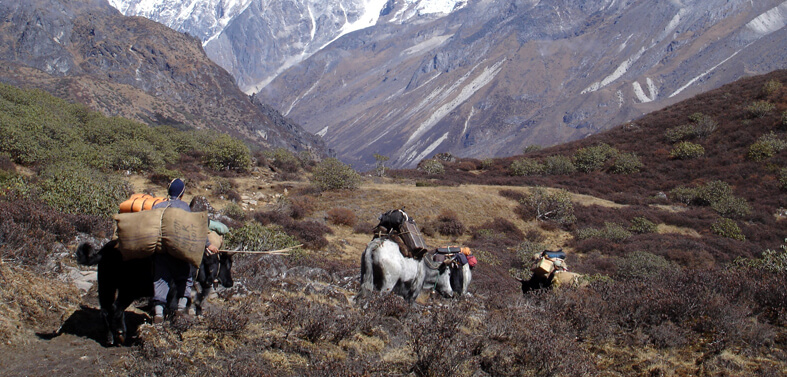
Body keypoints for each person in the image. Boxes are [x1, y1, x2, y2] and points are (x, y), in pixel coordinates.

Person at [151, 178, 219, 323]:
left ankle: (158, 313)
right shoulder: (184, 208)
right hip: (178, 253)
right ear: (181, 193)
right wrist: (207, 245)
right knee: (186, 278)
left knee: (160, 280)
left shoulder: (158, 206)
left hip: (160, 252)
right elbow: (194, 230)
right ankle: (180, 309)